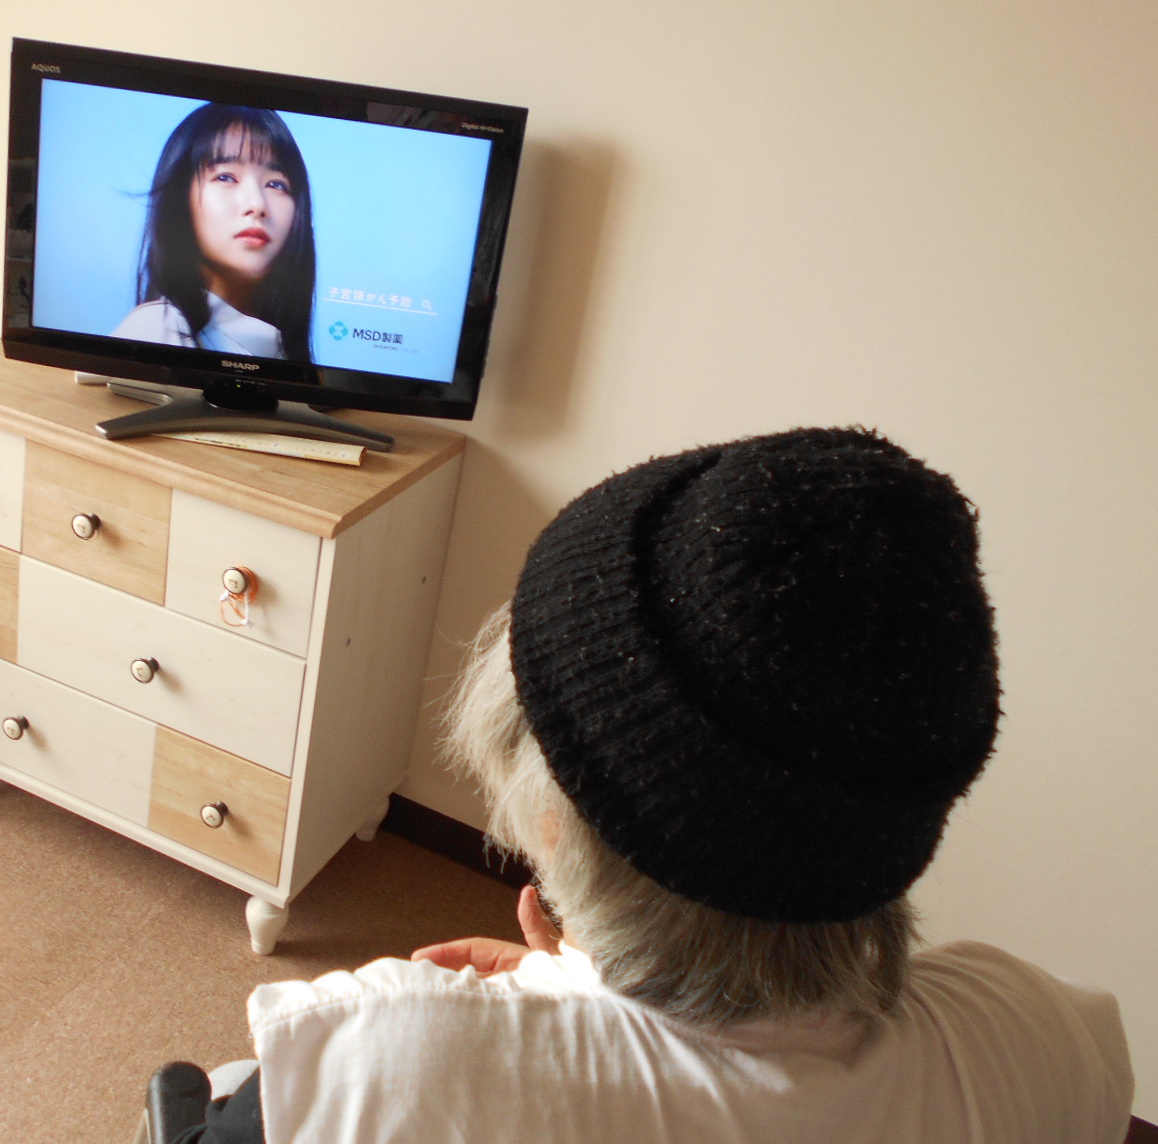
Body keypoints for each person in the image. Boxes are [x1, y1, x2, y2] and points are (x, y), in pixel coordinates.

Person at [164, 426, 1134, 1144]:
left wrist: (520, 1024)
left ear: (555, 812)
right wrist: (574, 988)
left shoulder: (379, 1071)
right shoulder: (1052, 1039)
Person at [112, 104, 316, 363]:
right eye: (226, 178)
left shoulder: (276, 349)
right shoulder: (160, 328)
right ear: (180, 200)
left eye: (276, 184)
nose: (256, 204)